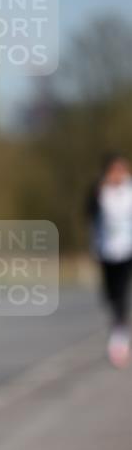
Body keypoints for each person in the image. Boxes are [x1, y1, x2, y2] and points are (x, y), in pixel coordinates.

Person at [86, 152, 132, 368]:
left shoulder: (129, 191)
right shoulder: (100, 192)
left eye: (121, 170)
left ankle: (119, 339)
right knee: (110, 295)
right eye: (114, 170)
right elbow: (90, 215)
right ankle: (118, 328)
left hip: (127, 250)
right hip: (106, 251)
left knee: (122, 293)